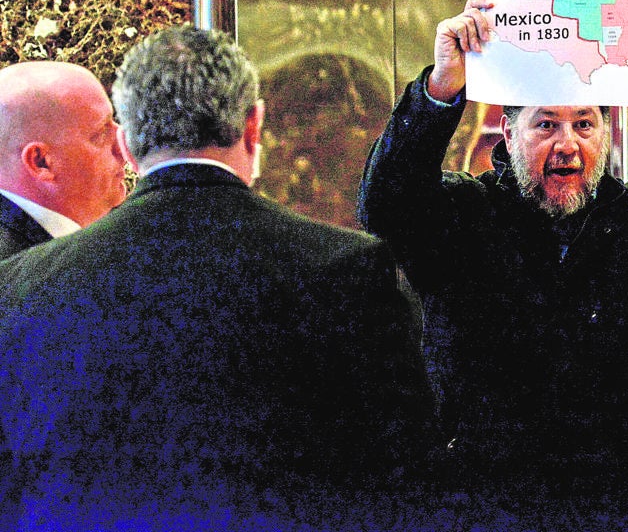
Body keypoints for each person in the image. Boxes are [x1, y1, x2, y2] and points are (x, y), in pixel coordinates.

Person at [358, 0, 628, 532]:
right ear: (508, 136)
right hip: (483, 510)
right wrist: (441, 88)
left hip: (620, 511)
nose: (568, 144)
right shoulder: (464, 218)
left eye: (584, 123)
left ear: (605, 135)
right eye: (546, 125)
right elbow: (386, 204)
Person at [0, 26, 439, 531]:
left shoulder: (20, 286)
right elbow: (408, 478)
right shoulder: (349, 270)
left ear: (126, 143)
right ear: (253, 126)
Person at [0, 61, 127, 257]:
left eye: (115, 121)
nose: (124, 146)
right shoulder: (16, 275)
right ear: (41, 162)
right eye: (102, 133)